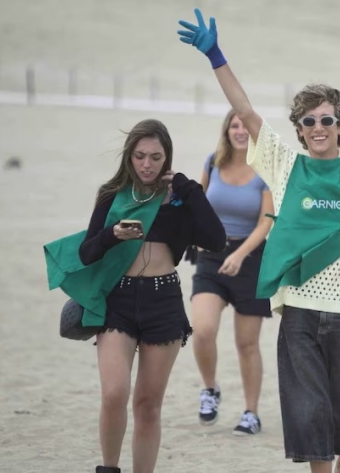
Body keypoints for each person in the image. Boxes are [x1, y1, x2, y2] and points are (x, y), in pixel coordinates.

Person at [177, 7, 340, 472]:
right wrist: (216, 55)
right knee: (310, 417)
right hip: (298, 313)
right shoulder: (286, 166)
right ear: (299, 131)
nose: (318, 128)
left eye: (325, 120)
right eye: (308, 122)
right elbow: (245, 111)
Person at [48, 119, 226, 473]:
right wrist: (112, 235)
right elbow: (86, 254)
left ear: (166, 157)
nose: (147, 164)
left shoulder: (179, 197)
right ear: (129, 157)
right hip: (119, 301)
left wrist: (189, 190)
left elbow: (216, 239)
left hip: (164, 301)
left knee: (148, 405)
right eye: (140, 156)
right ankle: (109, 468)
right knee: (114, 394)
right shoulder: (112, 195)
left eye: (155, 157)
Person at [190, 109, 274, 436]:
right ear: (226, 130)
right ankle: (210, 389)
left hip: (251, 258)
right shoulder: (213, 161)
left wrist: (240, 254)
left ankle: (251, 413)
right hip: (211, 257)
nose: (240, 131)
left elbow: (267, 220)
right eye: (233, 125)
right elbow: (197, 205)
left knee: (246, 344)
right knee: (203, 329)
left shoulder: (264, 168)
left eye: (244, 126)